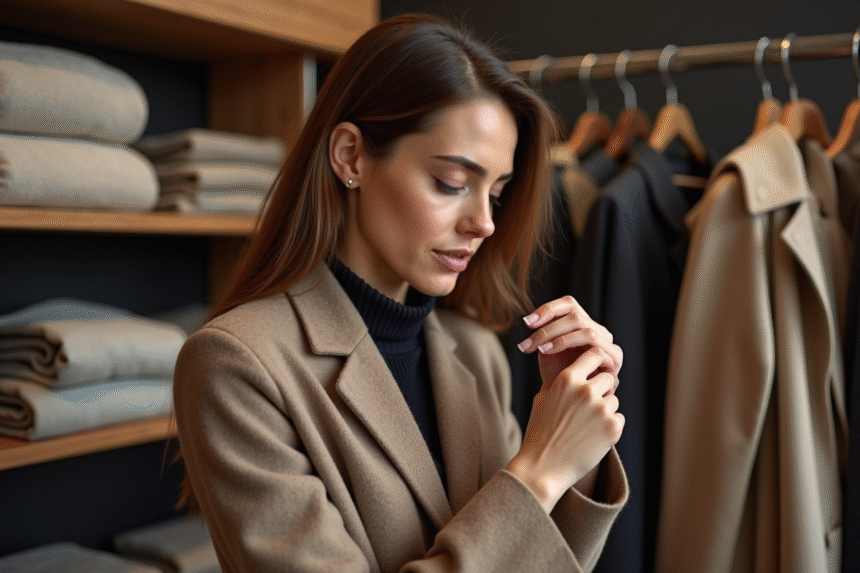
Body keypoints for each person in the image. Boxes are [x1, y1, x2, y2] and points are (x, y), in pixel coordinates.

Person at [172, 13, 628, 573]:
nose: (484, 223)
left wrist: (577, 424)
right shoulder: (236, 364)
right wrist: (542, 469)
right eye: (451, 184)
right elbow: (522, 506)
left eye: (498, 193)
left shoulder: (478, 353)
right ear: (350, 157)